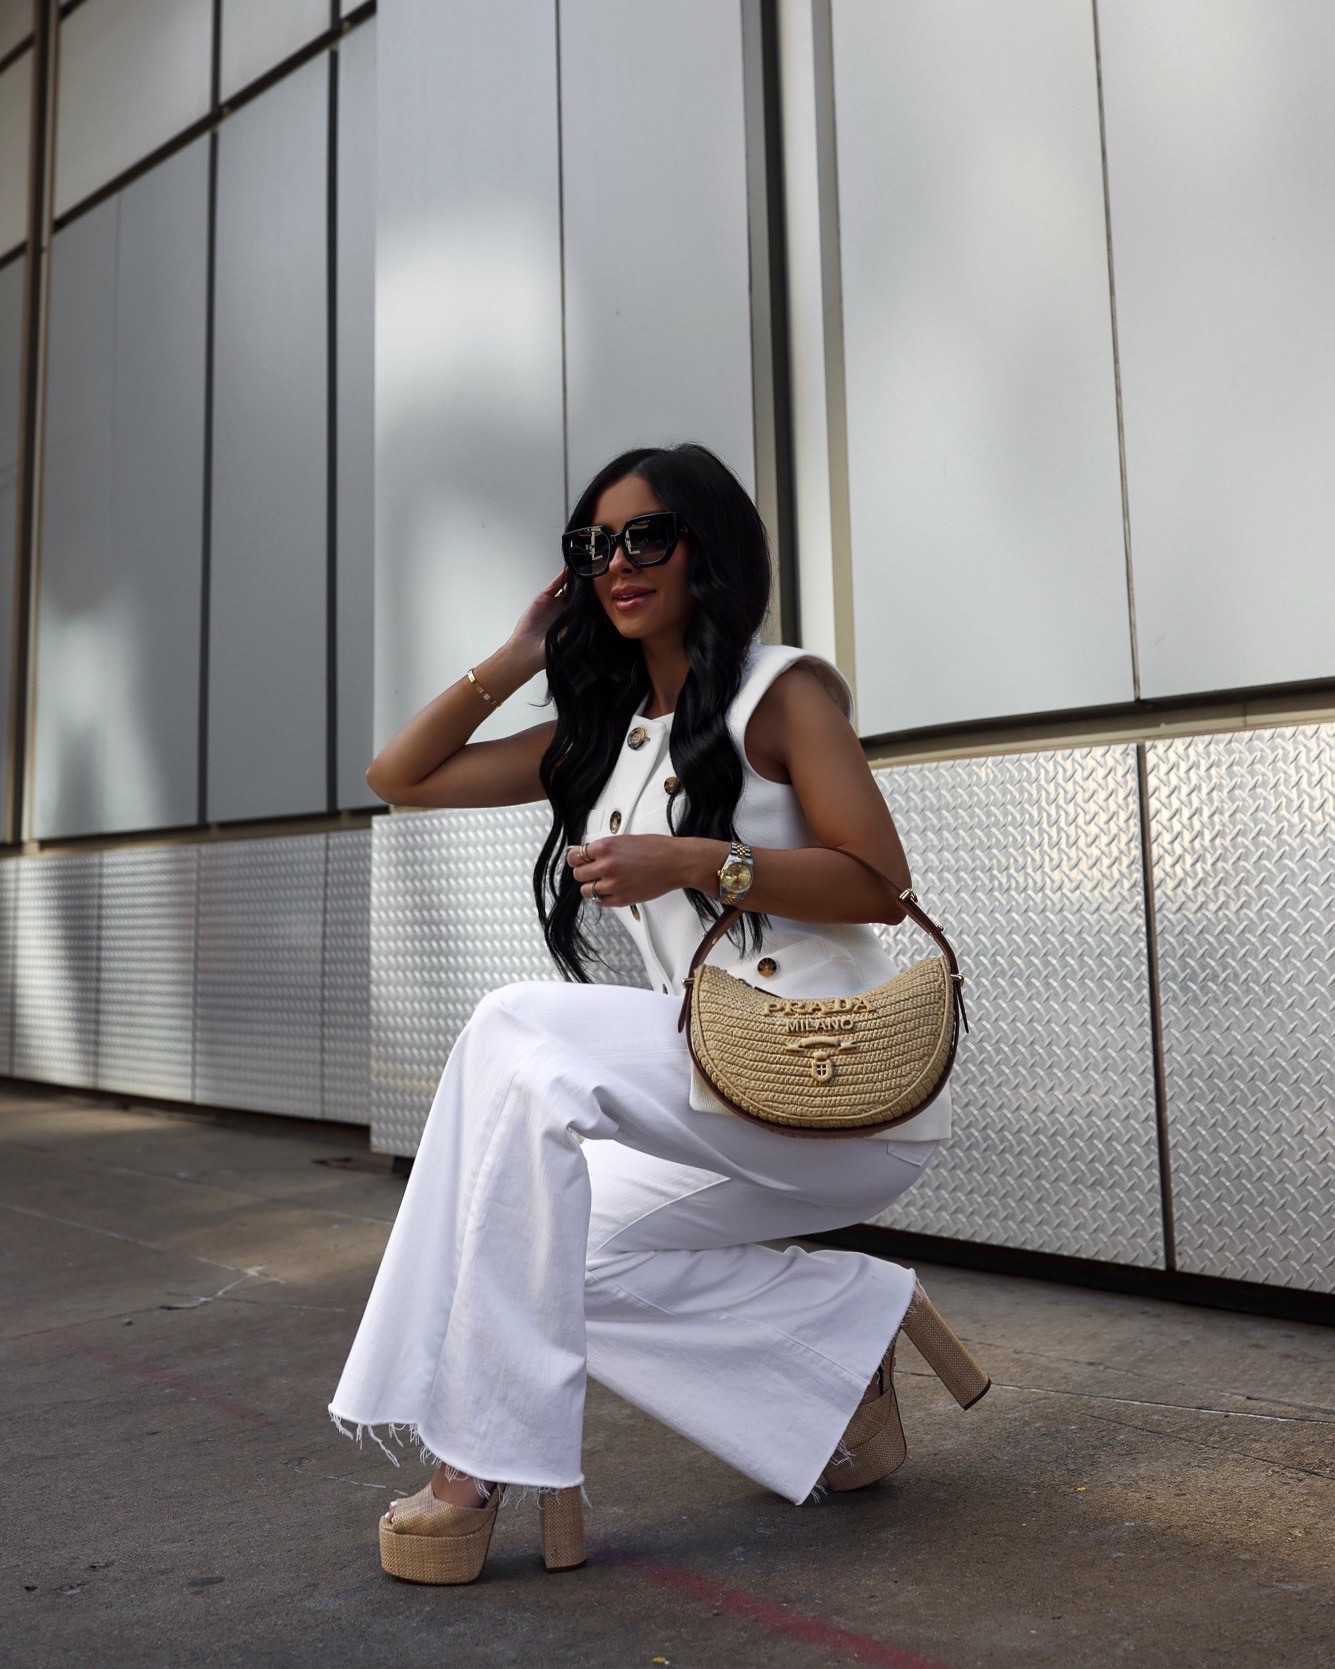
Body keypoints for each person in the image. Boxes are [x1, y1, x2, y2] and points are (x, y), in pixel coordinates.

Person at [329, 442, 989, 1585]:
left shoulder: (778, 693)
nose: (620, 562)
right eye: (596, 545)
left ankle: (474, 1464)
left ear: (707, 549)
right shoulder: (598, 740)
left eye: (648, 536)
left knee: (512, 1032)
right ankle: (845, 1340)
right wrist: (517, 652)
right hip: (724, 1097)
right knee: (537, 1255)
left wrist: (698, 859)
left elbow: (881, 880)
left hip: (835, 1080)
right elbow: (402, 774)